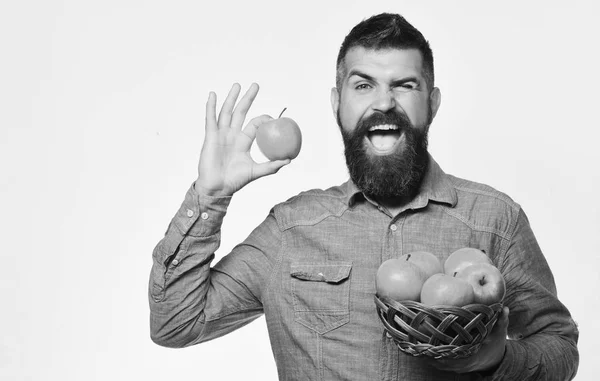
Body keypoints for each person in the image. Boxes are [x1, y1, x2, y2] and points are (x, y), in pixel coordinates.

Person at [148, 12, 579, 380]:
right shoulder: (290, 228)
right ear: (338, 103)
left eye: (405, 85)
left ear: (432, 102)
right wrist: (210, 198)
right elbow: (175, 324)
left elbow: (559, 346)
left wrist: (498, 358)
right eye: (363, 85)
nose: (384, 103)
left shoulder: (495, 219)